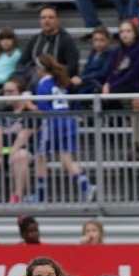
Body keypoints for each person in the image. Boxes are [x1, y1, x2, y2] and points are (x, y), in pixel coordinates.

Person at [31, 54, 96, 203]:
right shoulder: (58, 83)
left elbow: (42, 110)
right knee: (66, 159)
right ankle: (86, 186)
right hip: (68, 121)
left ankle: (40, 197)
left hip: (53, 123)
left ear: (41, 69)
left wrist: (28, 104)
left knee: (40, 158)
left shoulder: (43, 85)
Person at [18, 5, 81, 87]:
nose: (46, 21)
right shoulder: (34, 40)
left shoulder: (67, 41)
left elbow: (72, 67)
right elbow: (22, 63)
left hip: (56, 79)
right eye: (43, 18)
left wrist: (51, 72)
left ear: (57, 20)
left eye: (51, 17)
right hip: (32, 75)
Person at [102, 19, 139, 98]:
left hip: (134, 84)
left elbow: (132, 73)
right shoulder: (117, 51)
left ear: (135, 33)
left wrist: (112, 86)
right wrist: (107, 83)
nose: (124, 34)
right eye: (122, 31)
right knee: (97, 92)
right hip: (119, 83)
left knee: (113, 93)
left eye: (128, 31)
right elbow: (112, 71)